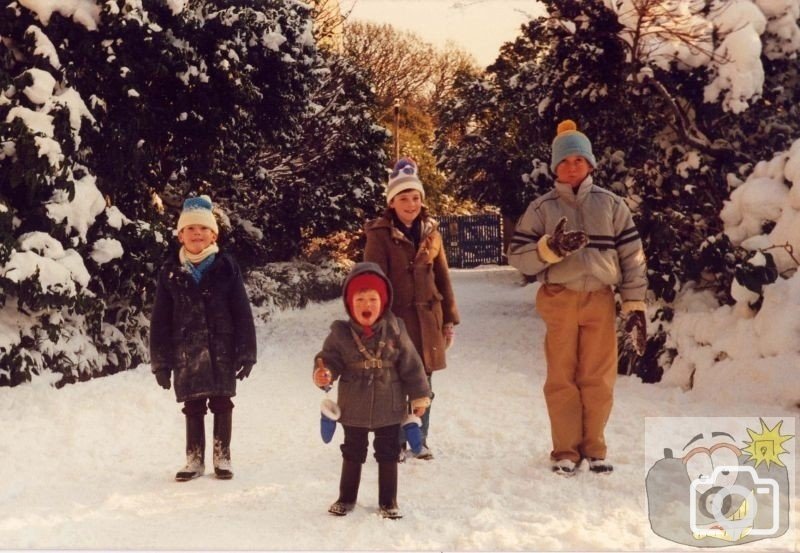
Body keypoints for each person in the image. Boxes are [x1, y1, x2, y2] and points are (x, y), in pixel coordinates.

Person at [507, 120, 647, 477]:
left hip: (600, 298)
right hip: (559, 297)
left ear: (590, 164)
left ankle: (595, 448)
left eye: (579, 160)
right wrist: (548, 249)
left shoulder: (612, 205)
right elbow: (518, 256)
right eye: (565, 161)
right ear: (555, 167)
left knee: (598, 378)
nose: (572, 167)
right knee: (561, 377)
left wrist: (634, 305)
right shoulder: (542, 209)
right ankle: (565, 450)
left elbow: (632, 258)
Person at [150, 195, 257, 482]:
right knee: (193, 404)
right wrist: (160, 363)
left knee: (222, 402)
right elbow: (159, 321)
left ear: (214, 234)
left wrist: (246, 353)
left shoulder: (226, 267)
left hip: (221, 347)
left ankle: (223, 456)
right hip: (186, 350)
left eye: (203, 229)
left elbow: (242, 311)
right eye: (190, 229)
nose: (197, 234)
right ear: (180, 235)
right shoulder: (170, 271)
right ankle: (194, 458)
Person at [313, 262, 431, 519]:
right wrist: (324, 373)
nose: (367, 305)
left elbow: (412, 364)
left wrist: (420, 395)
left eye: (372, 299)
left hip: (389, 403)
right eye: (360, 299)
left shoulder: (396, 329)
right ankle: (346, 498)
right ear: (349, 303)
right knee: (352, 450)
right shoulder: (340, 333)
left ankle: (388, 501)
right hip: (353, 402)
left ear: (383, 301)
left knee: (388, 452)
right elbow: (328, 359)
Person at [363, 157, 459, 461]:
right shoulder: (379, 234)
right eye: (403, 198)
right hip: (395, 320)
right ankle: (396, 442)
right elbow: (372, 279)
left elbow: (442, 277)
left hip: (429, 318)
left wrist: (449, 320)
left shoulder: (432, 233)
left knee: (424, 382)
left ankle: (420, 439)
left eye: (415, 198)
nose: (411, 204)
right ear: (392, 203)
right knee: (395, 380)